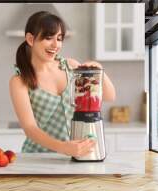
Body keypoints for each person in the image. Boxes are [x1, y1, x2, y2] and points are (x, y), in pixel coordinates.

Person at [9, 11, 116, 158]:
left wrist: (99, 70)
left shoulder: (71, 67)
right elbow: (30, 128)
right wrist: (63, 147)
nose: (56, 45)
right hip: (38, 158)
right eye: (48, 38)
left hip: (78, 155)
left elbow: (110, 96)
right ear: (30, 39)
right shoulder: (19, 81)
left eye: (59, 39)